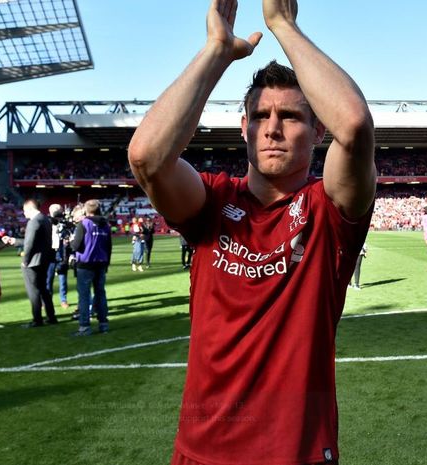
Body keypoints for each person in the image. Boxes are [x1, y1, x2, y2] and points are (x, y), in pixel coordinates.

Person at [127, 1, 375, 463]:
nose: (273, 129)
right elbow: (146, 158)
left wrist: (282, 24)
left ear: (317, 130)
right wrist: (216, 52)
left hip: (295, 453)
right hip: (201, 453)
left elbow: (356, 126)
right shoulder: (212, 202)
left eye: (292, 117)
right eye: (261, 116)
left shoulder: (328, 210)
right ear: (244, 128)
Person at [2, 199, 58, 328]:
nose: (24, 213)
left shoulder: (33, 222)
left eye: (24, 210)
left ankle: (37, 319)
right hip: (44, 260)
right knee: (44, 289)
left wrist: (25, 261)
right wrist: (14, 241)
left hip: (33, 262)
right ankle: (51, 316)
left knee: (33, 291)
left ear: (29, 208)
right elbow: (35, 242)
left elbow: (29, 244)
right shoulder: (45, 219)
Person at [70, 199, 112, 336]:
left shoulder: (84, 224)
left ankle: (84, 326)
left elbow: (76, 246)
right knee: (100, 294)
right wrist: (107, 263)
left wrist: (71, 241)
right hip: (101, 263)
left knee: (84, 296)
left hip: (86, 264)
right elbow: (109, 247)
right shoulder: (106, 225)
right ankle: (103, 324)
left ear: (86, 210)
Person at [46, 203, 73, 310]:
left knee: (63, 280)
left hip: (62, 254)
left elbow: (69, 235)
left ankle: (63, 300)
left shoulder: (64, 224)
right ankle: (47, 301)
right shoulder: (47, 223)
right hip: (50, 253)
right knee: (48, 279)